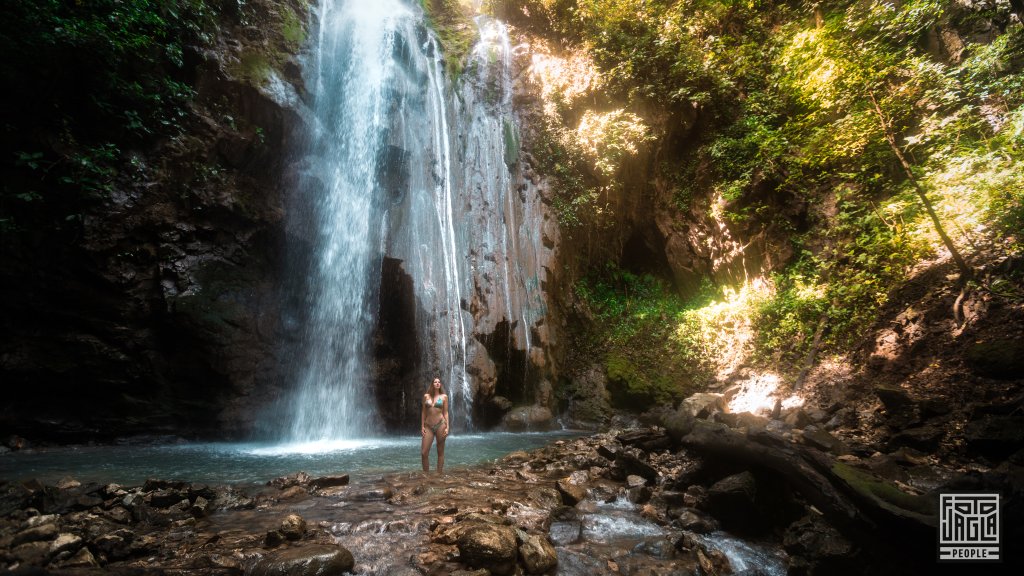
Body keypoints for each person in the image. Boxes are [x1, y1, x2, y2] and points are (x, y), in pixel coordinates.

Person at [421, 377, 449, 473]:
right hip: (428, 426)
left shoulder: (444, 397)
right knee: (424, 453)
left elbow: (445, 413)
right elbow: (423, 413)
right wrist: (422, 426)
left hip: (441, 425)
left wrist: (447, 427)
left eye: (439, 382)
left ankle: (439, 475)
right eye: (435, 382)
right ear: (432, 384)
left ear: (440, 384)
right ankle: (426, 476)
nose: (437, 383)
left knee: (440, 452)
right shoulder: (426, 396)